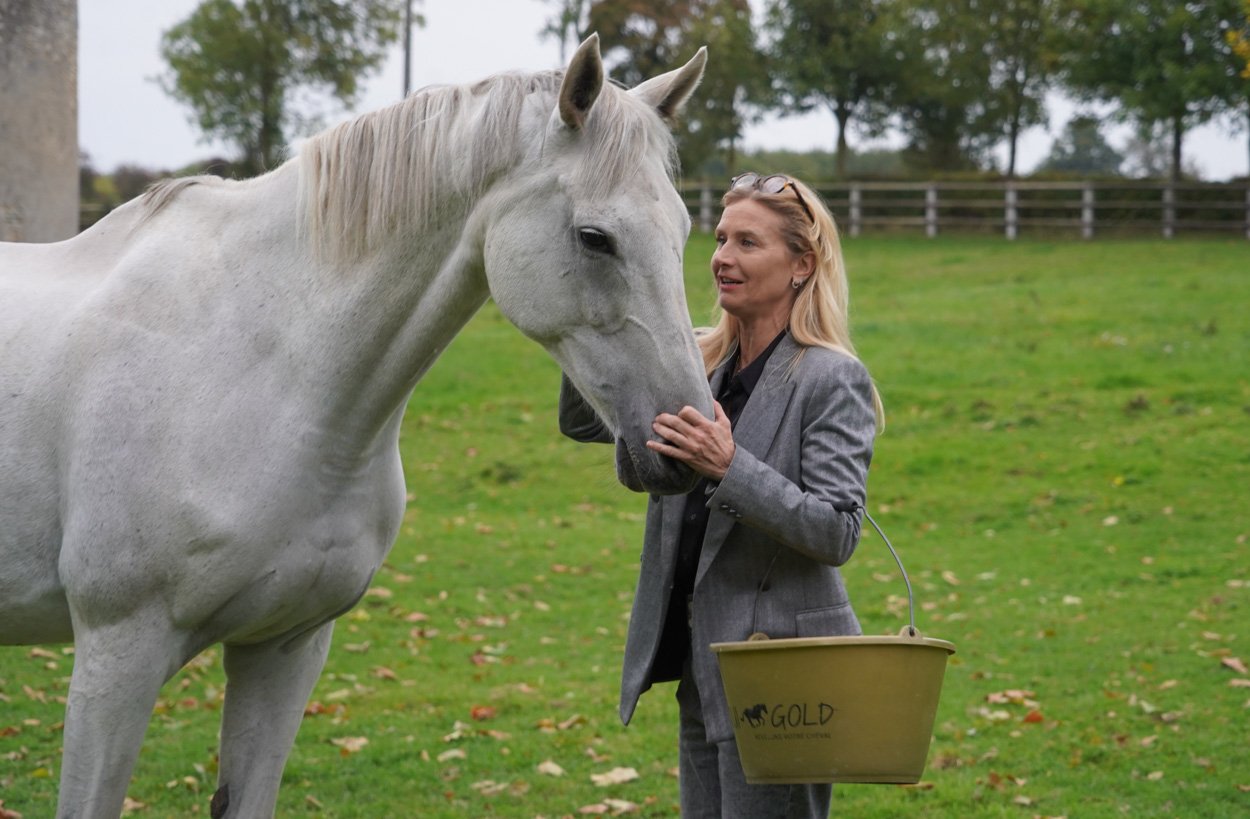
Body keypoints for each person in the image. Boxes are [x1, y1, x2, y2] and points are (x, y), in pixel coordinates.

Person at [559, 172, 883, 818]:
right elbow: (582, 422)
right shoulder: (696, 367)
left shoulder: (830, 377)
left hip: (783, 677)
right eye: (720, 239)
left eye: (747, 243)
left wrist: (730, 467)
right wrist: (595, 313)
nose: (723, 258)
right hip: (700, 660)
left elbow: (837, 530)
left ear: (801, 265)